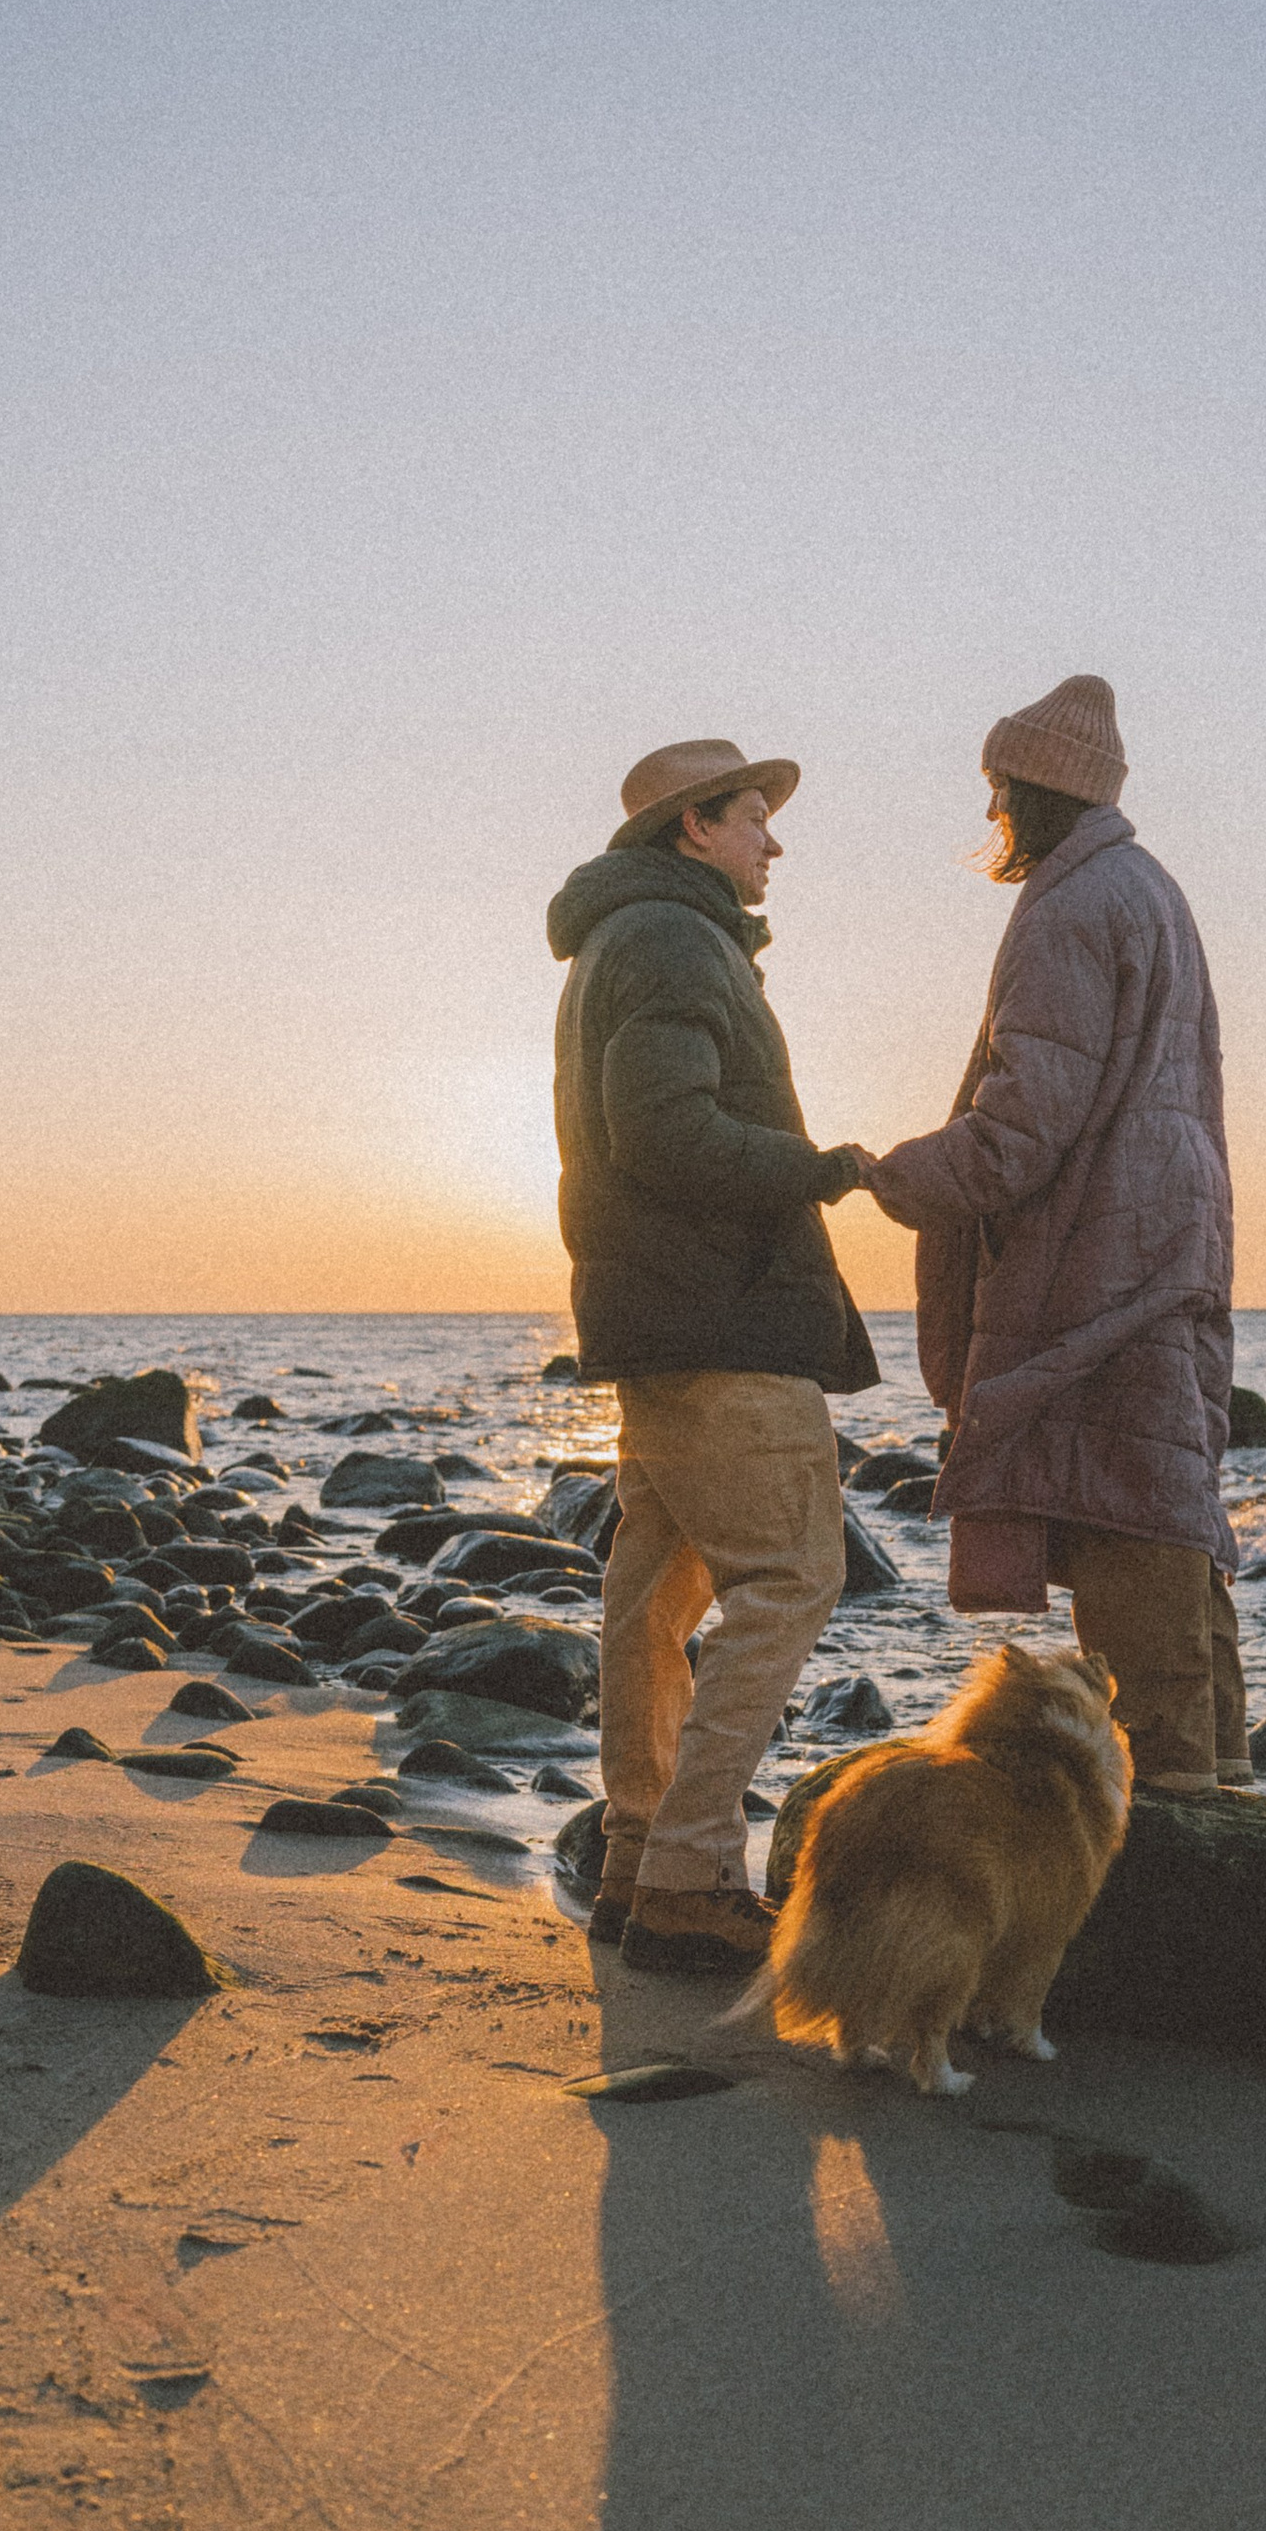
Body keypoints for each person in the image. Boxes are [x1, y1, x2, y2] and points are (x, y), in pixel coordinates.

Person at [862, 675, 1248, 1796]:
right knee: (1168, 1499)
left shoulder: (1071, 909)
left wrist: (890, 1176)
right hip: (1169, 1229)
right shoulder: (1149, 889)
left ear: (1038, 792)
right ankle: (1225, 1777)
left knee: (1121, 1505)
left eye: (999, 791)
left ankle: (1170, 1807)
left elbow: (1023, 1127)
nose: (991, 817)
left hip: (1099, 1251)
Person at [547, 736, 879, 1974]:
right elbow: (666, 1130)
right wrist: (822, 1168)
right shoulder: (673, 941)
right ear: (695, 827)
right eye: (755, 817)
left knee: (655, 1587)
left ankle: (639, 1858)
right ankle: (688, 1869)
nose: (773, 842)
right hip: (723, 1316)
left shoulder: (620, 945)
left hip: (662, 1319)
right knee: (793, 1576)